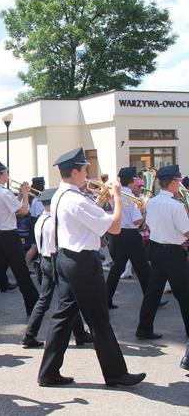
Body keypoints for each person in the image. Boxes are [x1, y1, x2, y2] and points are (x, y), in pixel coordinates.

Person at [38, 147, 145, 387]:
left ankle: (48, 372)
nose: (88, 175)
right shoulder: (77, 199)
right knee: (99, 320)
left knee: (62, 318)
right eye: (85, 170)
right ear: (75, 172)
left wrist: (100, 201)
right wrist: (118, 197)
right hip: (83, 263)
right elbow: (114, 228)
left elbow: (82, 218)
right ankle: (116, 374)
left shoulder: (61, 194)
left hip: (66, 259)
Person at [21, 189, 92, 348]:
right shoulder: (54, 222)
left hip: (45, 260)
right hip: (56, 260)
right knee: (69, 299)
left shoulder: (40, 220)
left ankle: (30, 334)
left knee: (46, 300)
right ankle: (78, 335)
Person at [0, 160, 38, 317]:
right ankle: (33, 305)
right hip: (9, 236)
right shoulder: (4, 193)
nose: (8, 175)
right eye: (6, 172)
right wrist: (25, 193)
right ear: (0, 175)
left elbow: (13, 207)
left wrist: (20, 195)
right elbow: (24, 210)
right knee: (21, 271)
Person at [136, 164, 189, 340]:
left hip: (156, 250)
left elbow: (149, 224)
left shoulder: (151, 202)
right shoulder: (176, 206)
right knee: (184, 294)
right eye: (178, 181)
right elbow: (186, 232)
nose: (179, 185)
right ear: (173, 183)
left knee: (153, 293)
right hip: (173, 253)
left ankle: (144, 329)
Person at [106, 167, 151, 309]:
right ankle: (151, 300)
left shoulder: (117, 194)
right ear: (132, 181)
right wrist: (144, 214)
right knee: (143, 268)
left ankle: (106, 299)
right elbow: (137, 221)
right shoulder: (132, 197)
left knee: (116, 268)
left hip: (118, 233)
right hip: (131, 235)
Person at [24, 177, 46, 271]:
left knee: (36, 246)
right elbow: (39, 214)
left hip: (33, 221)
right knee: (34, 246)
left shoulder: (34, 198)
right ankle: (24, 265)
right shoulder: (38, 199)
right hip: (36, 222)